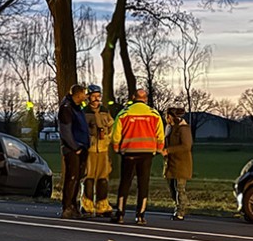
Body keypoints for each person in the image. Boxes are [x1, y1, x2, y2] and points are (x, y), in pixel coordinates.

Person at [110, 89, 164, 225]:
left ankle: (120, 214)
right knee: (143, 184)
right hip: (147, 153)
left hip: (129, 152)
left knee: (125, 183)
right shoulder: (154, 114)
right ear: (145, 98)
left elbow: (116, 134)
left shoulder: (124, 113)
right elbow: (160, 134)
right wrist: (158, 149)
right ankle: (140, 215)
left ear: (133, 97)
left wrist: (116, 148)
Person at [57, 84, 90, 219]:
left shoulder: (77, 107)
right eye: (84, 93)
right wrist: (74, 147)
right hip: (73, 149)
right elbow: (65, 130)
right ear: (78, 94)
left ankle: (73, 206)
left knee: (77, 177)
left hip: (81, 147)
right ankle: (67, 206)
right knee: (72, 177)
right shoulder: (67, 108)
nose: (86, 96)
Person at [82, 84, 114, 217]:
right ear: (88, 97)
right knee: (88, 177)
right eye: (93, 96)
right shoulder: (84, 112)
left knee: (103, 178)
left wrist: (106, 139)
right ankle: (87, 206)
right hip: (89, 150)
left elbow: (111, 127)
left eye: (98, 96)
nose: (96, 99)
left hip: (103, 149)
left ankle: (102, 206)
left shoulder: (105, 111)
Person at [162, 107, 193, 221]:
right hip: (171, 163)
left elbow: (186, 146)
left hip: (181, 163)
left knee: (180, 188)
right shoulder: (169, 128)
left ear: (170, 116)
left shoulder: (183, 129)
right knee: (172, 188)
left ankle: (180, 211)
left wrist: (169, 150)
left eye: (167, 116)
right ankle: (178, 206)